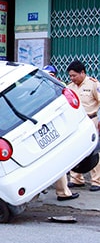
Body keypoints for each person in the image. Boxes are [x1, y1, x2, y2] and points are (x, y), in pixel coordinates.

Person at [42, 65, 79, 201]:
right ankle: (62, 192)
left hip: (51, 129)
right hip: (53, 129)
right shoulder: (58, 87)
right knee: (58, 160)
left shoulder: (57, 87)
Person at [66, 60, 100, 192]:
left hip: (91, 120)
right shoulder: (69, 87)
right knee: (76, 150)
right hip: (76, 122)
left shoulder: (93, 84)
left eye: (74, 75)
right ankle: (76, 179)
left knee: (94, 151)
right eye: (70, 76)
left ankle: (96, 181)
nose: (72, 78)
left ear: (82, 73)